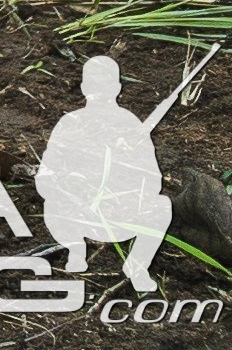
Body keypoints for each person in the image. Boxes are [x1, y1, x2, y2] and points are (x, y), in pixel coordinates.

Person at [37, 54, 181, 292]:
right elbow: (46, 176)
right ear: (84, 88)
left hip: (120, 216)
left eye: (105, 86)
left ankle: (136, 265)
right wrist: (72, 188)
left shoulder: (130, 125)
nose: (99, 92)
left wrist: (125, 181)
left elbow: (153, 178)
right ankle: (76, 249)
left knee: (162, 205)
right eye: (94, 86)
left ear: (117, 88)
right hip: (78, 214)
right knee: (52, 204)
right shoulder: (69, 124)